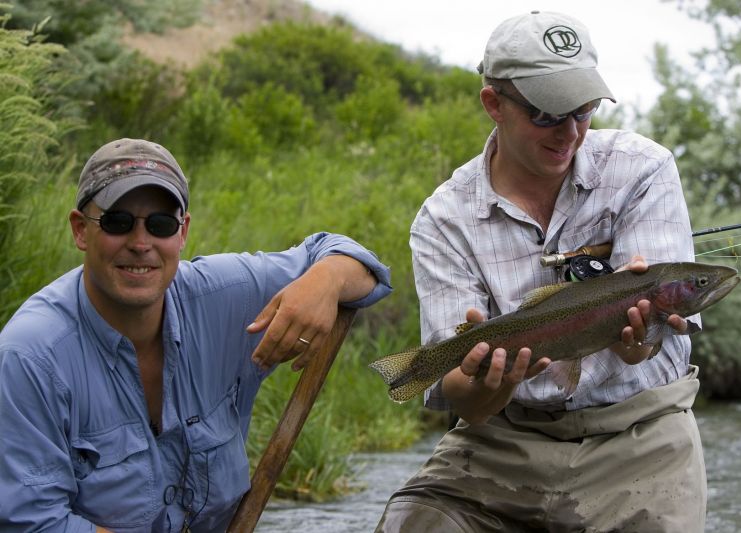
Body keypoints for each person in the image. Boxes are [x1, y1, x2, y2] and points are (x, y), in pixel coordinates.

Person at [376, 10, 705, 533]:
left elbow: (645, 343)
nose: (569, 133)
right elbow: (466, 402)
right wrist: (488, 384)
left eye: (583, 110)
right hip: (503, 439)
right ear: (494, 104)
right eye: (547, 114)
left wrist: (637, 342)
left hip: (640, 434)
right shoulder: (444, 218)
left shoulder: (643, 168)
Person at [0, 138, 392, 531]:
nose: (141, 243)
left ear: (183, 231)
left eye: (161, 224)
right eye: (118, 222)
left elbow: (359, 265)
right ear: (80, 230)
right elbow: (31, 523)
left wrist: (325, 281)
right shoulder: (30, 356)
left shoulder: (225, 296)